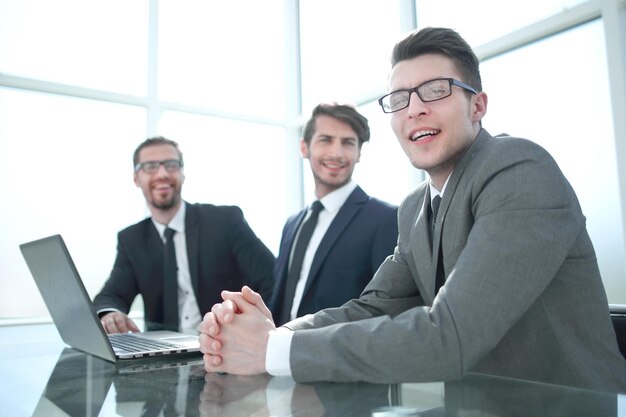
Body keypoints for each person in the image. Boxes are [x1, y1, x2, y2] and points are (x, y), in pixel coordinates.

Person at [198, 28, 626, 392]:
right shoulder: (415, 209)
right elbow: (370, 309)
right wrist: (274, 333)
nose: (415, 107)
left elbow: (451, 336)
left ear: (477, 105)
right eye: (400, 97)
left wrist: (269, 351)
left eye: (436, 90)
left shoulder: (519, 170)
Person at [93, 136, 275, 334]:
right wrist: (109, 314)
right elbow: (111, 296)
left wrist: (256, 331)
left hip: (227, 347)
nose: (162, 174)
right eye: (150, 166)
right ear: (136, 178)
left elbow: (273, 279)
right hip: (164, 355)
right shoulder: (132, 240)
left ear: (182, 174)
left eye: (171, 165)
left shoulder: (225, 221)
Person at [270, 103, 398, 326]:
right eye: (326, 140)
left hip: (340, 358)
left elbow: (385, 312)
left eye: (348, 143)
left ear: (359, 153)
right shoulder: (292, 224)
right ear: (304, 147)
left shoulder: (385, 219)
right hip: (279, 355)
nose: (336, 153)